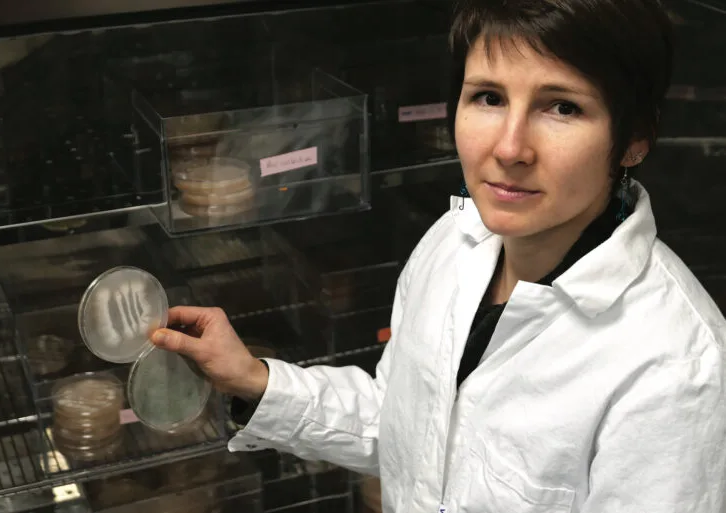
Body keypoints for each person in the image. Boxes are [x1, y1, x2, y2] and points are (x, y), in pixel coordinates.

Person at [150, 0, 726, 511]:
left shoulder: (675, 365)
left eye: (563, 108)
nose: (508, 148)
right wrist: (253, 378)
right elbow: (406, 427)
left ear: (634, 139)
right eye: (489, 98)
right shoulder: (453, 244)